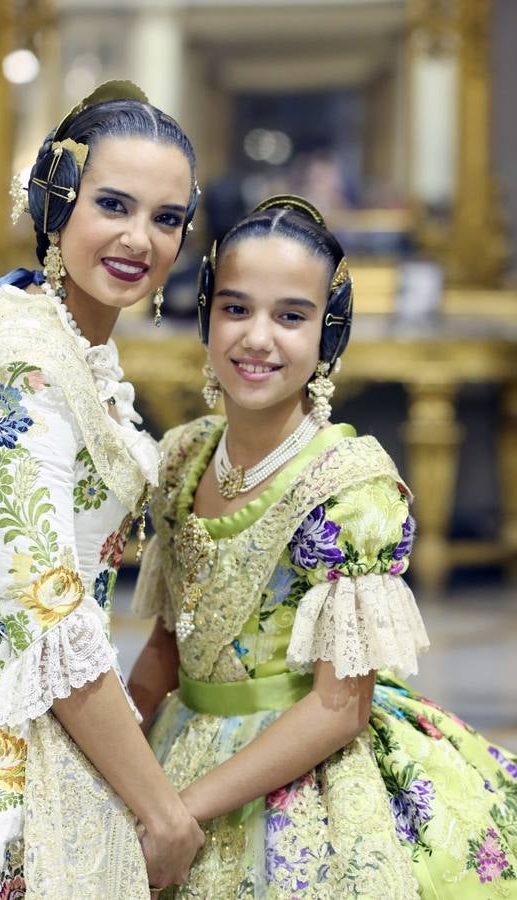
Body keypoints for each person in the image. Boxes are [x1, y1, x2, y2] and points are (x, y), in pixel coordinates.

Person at [129, 195, 517, 898]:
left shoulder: (350, 487)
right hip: (178, 744)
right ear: (207, 313)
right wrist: (118, 769)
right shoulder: (183, 458)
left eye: (291, 316)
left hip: (305, 765)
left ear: (328, 331)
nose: (257, 338)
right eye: (236, 308)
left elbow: (341, 708)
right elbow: (165, 646)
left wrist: (182, 814)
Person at [0, 80, 205, 899]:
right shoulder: (24, 372)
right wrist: (163, 814)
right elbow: (49, 616)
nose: (138, 239)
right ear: (55, 201)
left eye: (166, 218)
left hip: (47, 678)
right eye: (112, 204)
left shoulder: (68, 343)